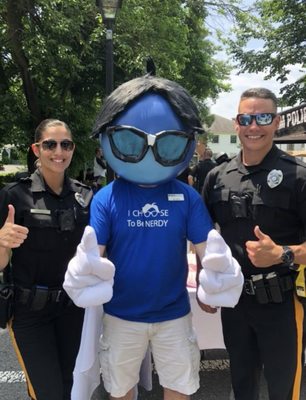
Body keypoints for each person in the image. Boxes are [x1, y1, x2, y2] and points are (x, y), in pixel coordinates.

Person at [63, 75, 243, 400]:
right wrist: (85, 272)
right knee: (120, 389)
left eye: (169, 143)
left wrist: (221, 275)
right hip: (121, 314)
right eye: (130, 142)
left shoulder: (186, 197)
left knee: (179, 387)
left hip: (172, 313)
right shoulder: (108, 197)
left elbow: (208, 249)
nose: (149, 152)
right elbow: (95, 251)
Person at [201, 87, 306, 400]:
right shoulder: (218, 176)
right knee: (242, 387)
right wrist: (204, 281)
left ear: (275, 122)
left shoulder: (298, 176)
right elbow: (203, 238)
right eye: (246, 118)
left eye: (262, 117)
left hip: (282, 306)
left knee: (283, 390)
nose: (253, 126)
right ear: (236, 124)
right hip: (236, 304)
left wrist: (282, 254)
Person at [0, 119, 92, 400]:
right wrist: (2, 241)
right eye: (50, 144)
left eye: (66, 144)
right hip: (31, 313)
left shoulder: (85, 197)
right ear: (36, 149)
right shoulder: (14, 195)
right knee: (47, 392)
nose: (58, 151)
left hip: (74, 310)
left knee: (71, 389)